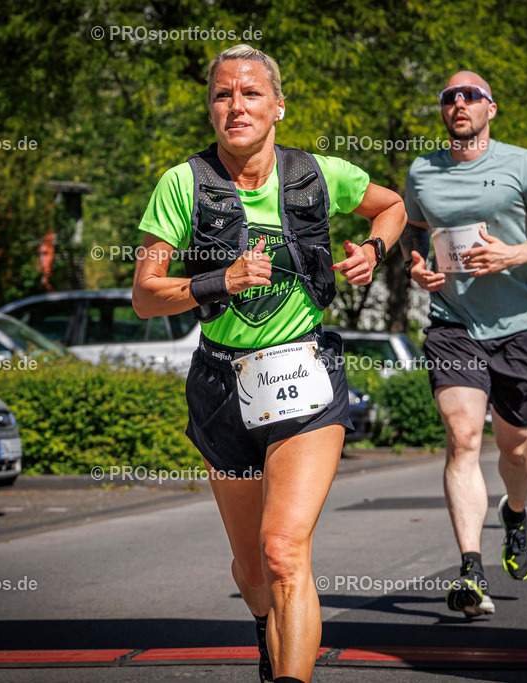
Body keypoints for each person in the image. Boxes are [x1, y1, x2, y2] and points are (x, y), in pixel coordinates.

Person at [132, 45, 405, 683]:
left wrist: (372, 248)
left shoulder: (317, 173)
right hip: (222, 384)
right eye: (223, 95)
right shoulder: (183, 184)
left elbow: (391, 206)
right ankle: (264, 624)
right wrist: (218, 280)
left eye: (251, 94)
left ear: (277, 105)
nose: (237, 106)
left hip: (305, 375)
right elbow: (145, 295)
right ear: (210, 110)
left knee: (284, 552)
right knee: (254, 572)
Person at [403, 71, 527, 616]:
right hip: (452, 322)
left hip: (519, 324)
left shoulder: (523, 165)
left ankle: (517, 512)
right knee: (462, 438)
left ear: (491, 108)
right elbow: (417, 228)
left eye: (470, 96)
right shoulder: (422, 170)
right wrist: (418, 266)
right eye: (449, 97)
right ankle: (470, 572)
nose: (458, 103)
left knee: (516, 447)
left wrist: (514, 254)